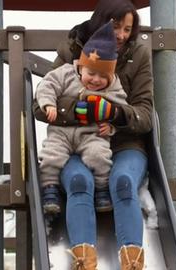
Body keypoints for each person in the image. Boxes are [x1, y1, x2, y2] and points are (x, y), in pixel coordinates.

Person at [34, 0, 153, 269]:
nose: (122, 35)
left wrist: (114, 114)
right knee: (78, 180)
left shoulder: (138, 55)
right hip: (77, 138)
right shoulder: (71, 50)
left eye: (127, 29)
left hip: (123, 142)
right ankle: (83, 260)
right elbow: (39, 105)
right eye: (115, 26)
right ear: (100, 22)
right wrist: (82, 111)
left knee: (122, 181)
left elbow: (144, 113)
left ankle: (132, 260)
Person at [36, 21, 128, 216]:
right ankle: (49, 189)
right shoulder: (66, 73)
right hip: (62, 132)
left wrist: (111, 127)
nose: (95, 80)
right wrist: (48, 104)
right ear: (82, 66)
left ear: (111, 75)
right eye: (91, 73)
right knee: (52, 154)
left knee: (99, 155)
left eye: (103, 76)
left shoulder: (113, 86)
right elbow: (47, 86)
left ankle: (102, 190)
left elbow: (121, 109)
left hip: (91, 133)